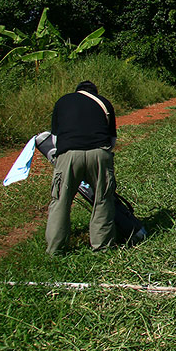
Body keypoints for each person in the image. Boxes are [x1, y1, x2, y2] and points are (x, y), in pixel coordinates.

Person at [46, 81, 117, 255]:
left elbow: (55, 139)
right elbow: (112, 141)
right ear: (95, 93)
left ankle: (55, 249)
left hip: (69, 154)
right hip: (99, 153)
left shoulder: (62, 102)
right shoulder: (104, 103)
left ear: (77, 91)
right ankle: (102, 247)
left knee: (61, 201)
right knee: (103, 199)